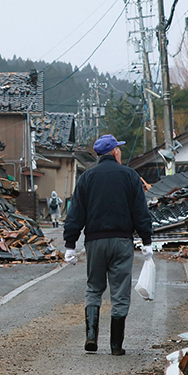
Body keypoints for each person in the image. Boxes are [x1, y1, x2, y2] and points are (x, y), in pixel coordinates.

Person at [62, 134, 153, 356]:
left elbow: (76, 213)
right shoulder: (130, 176)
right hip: (122, 241)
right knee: (120, 291)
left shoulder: (87, 178)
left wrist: (70, 244)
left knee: (94, 287)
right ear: (115, 152)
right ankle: (115, 345)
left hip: (94, 241)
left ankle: (91, 337)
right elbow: (140, 212)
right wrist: (147, 240)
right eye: (119, 149)